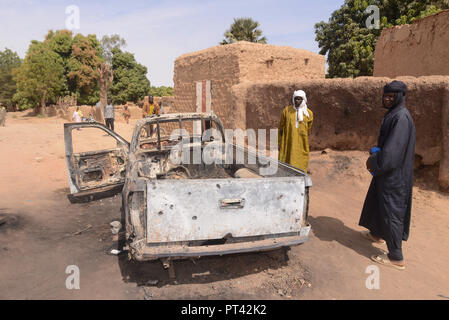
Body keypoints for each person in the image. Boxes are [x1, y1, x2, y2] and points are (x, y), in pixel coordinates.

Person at [359, 80, 416, 270]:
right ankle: (377, 234)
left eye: (392, 96)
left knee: (392, 211)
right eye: (386, 96)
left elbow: (392, 153)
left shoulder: (401, 117)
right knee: (378, 202)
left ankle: (396, 257)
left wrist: (375, 161)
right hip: (387, 171)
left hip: (394, 174)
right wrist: (378, 153)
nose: (388, 99)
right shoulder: (394, 114)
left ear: (400, 97)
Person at [278, 90, 314, 173]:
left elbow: (308, 126)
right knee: (287, 157)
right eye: (295, 99)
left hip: (302, 140)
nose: (297, 101)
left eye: (299, 99)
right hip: (288, 140)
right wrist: (280, 141)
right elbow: (281, 126)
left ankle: (300, 172)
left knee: (301, 157)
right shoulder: (286, 111)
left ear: (304, 100)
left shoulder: (309, 113)